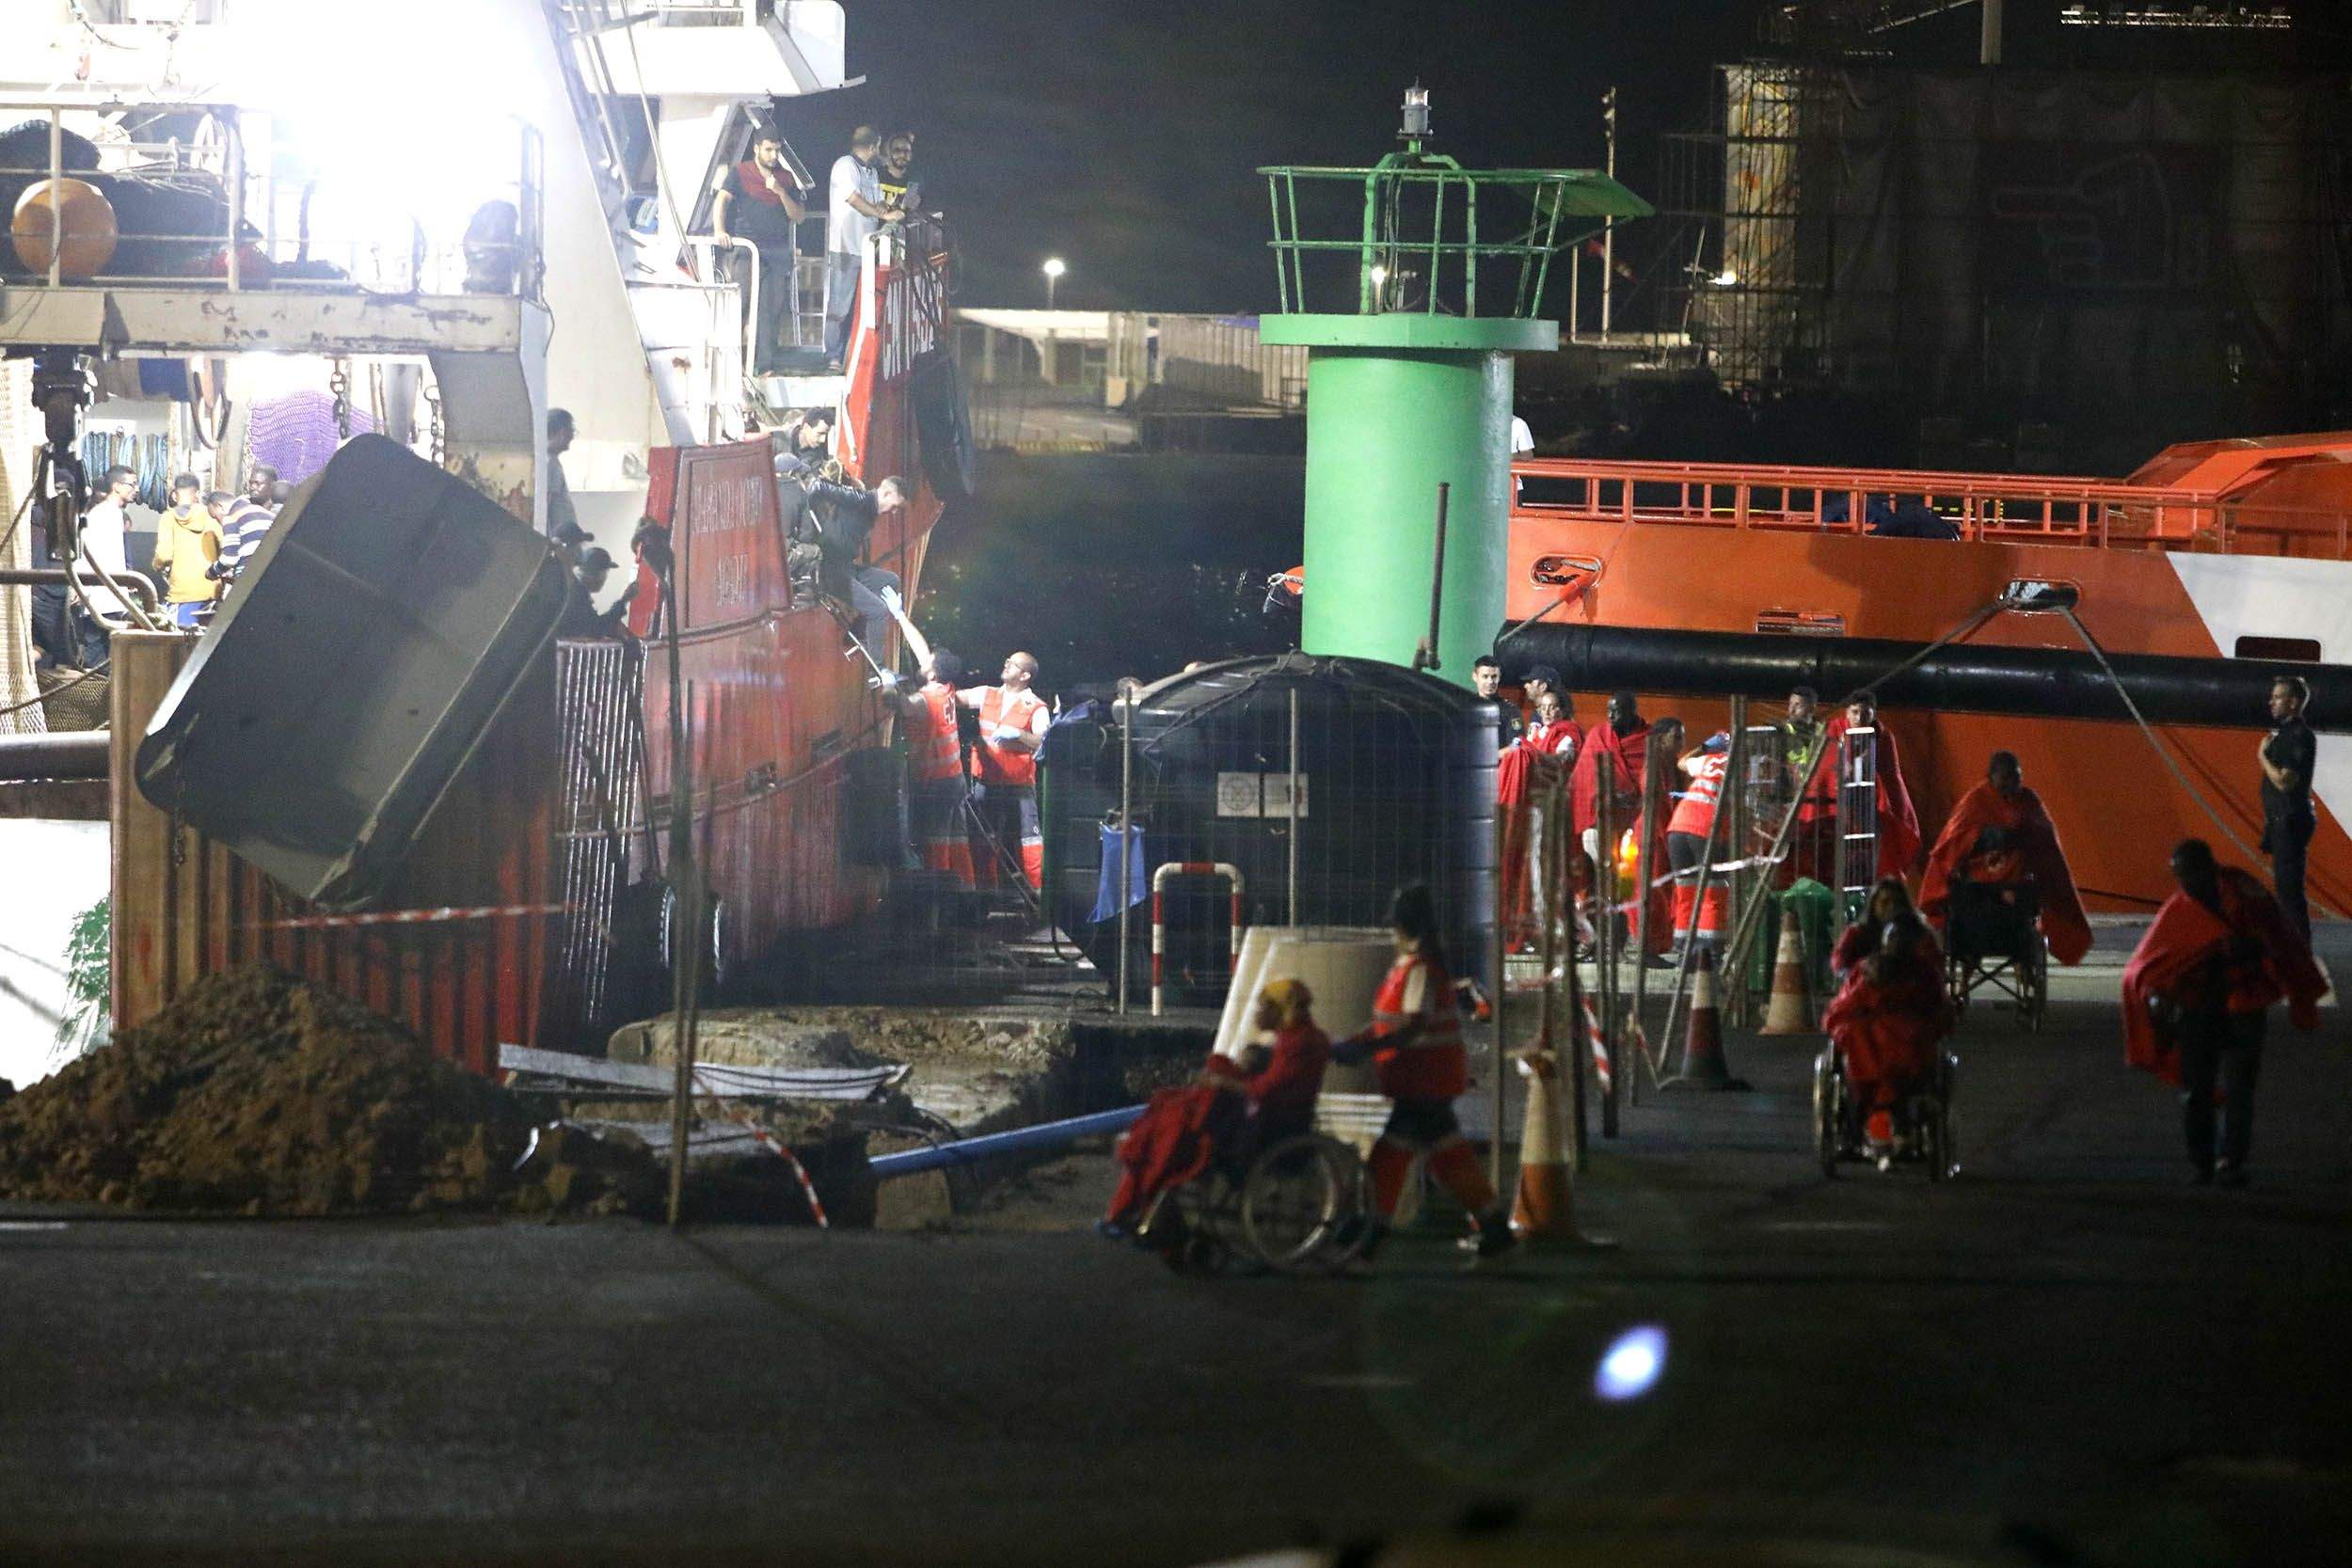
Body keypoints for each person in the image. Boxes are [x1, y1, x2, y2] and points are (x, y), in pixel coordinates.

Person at [1330, 885, 1517, 1262]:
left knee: (1392, 1155)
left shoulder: (1418, 971)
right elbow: (1389, 1023)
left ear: (1403, 926)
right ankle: (1492, 1224)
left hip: (1421, 1081)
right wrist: (1357, 1041)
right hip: (1425, 1080)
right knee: (1445, 1157)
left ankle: (1370, 1232)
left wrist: (1364, 1048)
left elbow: (1412, 1027)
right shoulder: (1416, 967)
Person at [2122, 839, 2324, 1187]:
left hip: (2243, 999)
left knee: (2240, 1086)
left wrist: (2263, 958)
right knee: (2197, 1087)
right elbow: (2150, 961)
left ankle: (2230, 1159)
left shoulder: (2244, 893)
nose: (2185, 883)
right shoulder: (2181, 907)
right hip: (2199, 1006)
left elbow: (2277, 932)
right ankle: (2201, 1160)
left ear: (2208, 868)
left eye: (2189, 874)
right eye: (2179, 876)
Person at [1101, 978, 1330, 1242]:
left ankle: (1134, 1203)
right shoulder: (1297, 1040)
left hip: (1266, 1125)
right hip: (1261, 1114)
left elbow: (1265, 1089)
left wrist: (1224, 1082)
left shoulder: (1297, 1044)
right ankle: (1138, 1203)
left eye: (1263, 1007)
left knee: (1173, 1130)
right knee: (1185, 1099)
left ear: (1279, 1010)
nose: (1257, 1013)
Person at [1920, 750, 2091, 968]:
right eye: (2006, 777)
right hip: (1978, 892)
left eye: (2016, 776)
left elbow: (2045, 839)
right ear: (1992, 777)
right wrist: (1982, 836)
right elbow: (1953, 842)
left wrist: (2023, 835)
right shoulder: (1976, 801)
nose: (2012, 783)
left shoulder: (2029, 800)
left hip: (2018, 891)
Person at [1823, 879, 1953, 1160]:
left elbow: (1935, 998)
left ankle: (1875, 1121)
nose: (1888, 907)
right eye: (1882, 902)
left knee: (1887, 1044)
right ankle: (1885, 1121)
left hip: (1898, 1028)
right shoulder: (1862, 942)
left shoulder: (1920, 949)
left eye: (1893, 902)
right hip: (1881, 1026)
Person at [882, 610, 976, 889]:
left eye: (928, 663)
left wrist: (888, 683)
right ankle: (967, 893)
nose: (924, 662)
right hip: (955, 778)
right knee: (957, 838)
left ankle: (939, 903)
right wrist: (901, 617)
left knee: (935, 843)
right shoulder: (945, 688)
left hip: (936, 781)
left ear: (932, 672)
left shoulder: (925, 700)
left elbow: (897, 704)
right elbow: (923, 653)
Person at [711, 124, 809, 374]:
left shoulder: (786, 178)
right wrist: (719, 230)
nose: (773, 156)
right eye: (768, 150)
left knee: (772, 309)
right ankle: (724, 361)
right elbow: (721, 200)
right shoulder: (740, 172)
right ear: (757, 149)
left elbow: (798, 216)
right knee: (740, 304)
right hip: (747, 248)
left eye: (776, 151)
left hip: (777, 251)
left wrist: (780, 192)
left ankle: (765, 364)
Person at [957, 651, 1051, 891]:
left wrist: (1019, 734)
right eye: (1007, 660)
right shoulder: (987, 693)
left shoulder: (1036, 707)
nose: (1006, 664)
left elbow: (1045, 742)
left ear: (1025, 674)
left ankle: (1037, 899)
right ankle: (986, 896)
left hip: (1019, 786)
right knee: (984, 842)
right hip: (986, 783)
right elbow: (956, 698)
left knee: (1029, 842)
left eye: (1013, 663)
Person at [1805, 689, 1919, 888]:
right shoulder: (1834, 731)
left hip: (1870, 806)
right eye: (1855, 712)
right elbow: (1827, 770)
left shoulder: (1883, 737)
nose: (1859, 718)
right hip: (1836, 806)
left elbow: (1891, 777)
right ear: (1847, 712)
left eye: (1865, 713)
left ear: (1874, 714)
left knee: (1874, 851)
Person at [795, 473, 908, 656]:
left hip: (846, 567)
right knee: (878, 610)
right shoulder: (861, 500)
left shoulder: (868, 508)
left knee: (891, 581)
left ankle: (857, 633)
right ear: (886, 493)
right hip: (830, 571)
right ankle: (875, 668)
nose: (893, 512)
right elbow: (818, 488)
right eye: (894, 506)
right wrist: (809, 526)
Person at [824, 126, 902, 366]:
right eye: (879, 147)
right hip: (846, 248)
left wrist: (888, 210)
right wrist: (884, 217)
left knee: (861, 306)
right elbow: (854, 200)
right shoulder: (845, 166)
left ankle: (851, 354)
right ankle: (833, 356)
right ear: (872, 147)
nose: (880, 152)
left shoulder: (870, 171)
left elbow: (876, 200)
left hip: (867, 250)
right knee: (840, 307)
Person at [2258, 675, 2315, 942]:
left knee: (2290, 892)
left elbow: (2284, 780)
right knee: (2285, 889)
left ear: (2293, 702)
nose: (2272, 701)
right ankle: (2293, 949)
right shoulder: (2285, 734)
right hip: (2281, 819)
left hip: (2289, 820)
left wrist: (2262, 757)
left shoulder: (2298, 736)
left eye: (2278, 697)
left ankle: (2300, 951)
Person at [1665, 729, 1732, 951]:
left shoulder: (1709, 761)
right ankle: (1711, 952)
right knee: (1714, 891)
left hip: (1677, 829)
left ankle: (1684, 949)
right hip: (1705, 831)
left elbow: (1683, 762)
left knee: (1686, 893)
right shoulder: (1740, 769)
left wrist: (1705, 746)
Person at [151, 472, 222, 629]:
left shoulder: (168, 518)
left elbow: (164, 555)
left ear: (175, 494)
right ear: (197, 493)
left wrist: (157, 566)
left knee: (181, 644)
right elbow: (224, 545)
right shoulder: (210, 515)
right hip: (211, 590)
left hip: (182, 593)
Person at [203, 488, 275, 597]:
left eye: (215, 516)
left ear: (220, 506)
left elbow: (229, 559)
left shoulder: (231, 517)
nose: (217, 521)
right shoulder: (264, 512)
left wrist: (212, 572)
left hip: (249, 578)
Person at [545, 408, 580, 540]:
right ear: (563, 432)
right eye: (572, 431)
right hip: (560, 540)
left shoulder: (549, 460)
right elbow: (546, 504)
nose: (572, 437)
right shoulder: (550, 463)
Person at [877, 130, 921, 215]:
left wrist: (916, 205)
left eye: (906, 151)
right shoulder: (876, 176)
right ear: (889, 153)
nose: (902, 155)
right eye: (897, 150)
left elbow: (909, 207)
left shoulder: (915, 179)